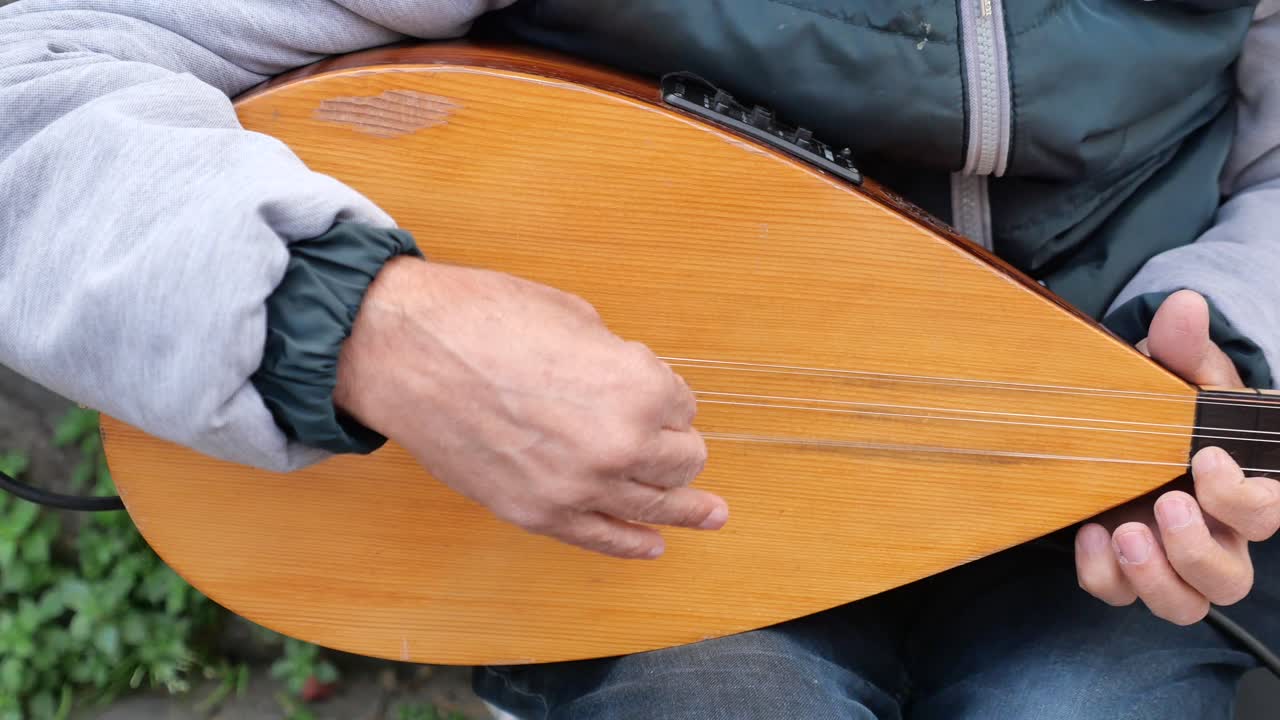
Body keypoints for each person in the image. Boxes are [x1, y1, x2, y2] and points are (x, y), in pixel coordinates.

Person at [2, 1, 1278, 718]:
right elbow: (36, 74)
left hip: (1082, 518)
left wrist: (1215, 345)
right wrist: (365, 324)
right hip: (633, 541)